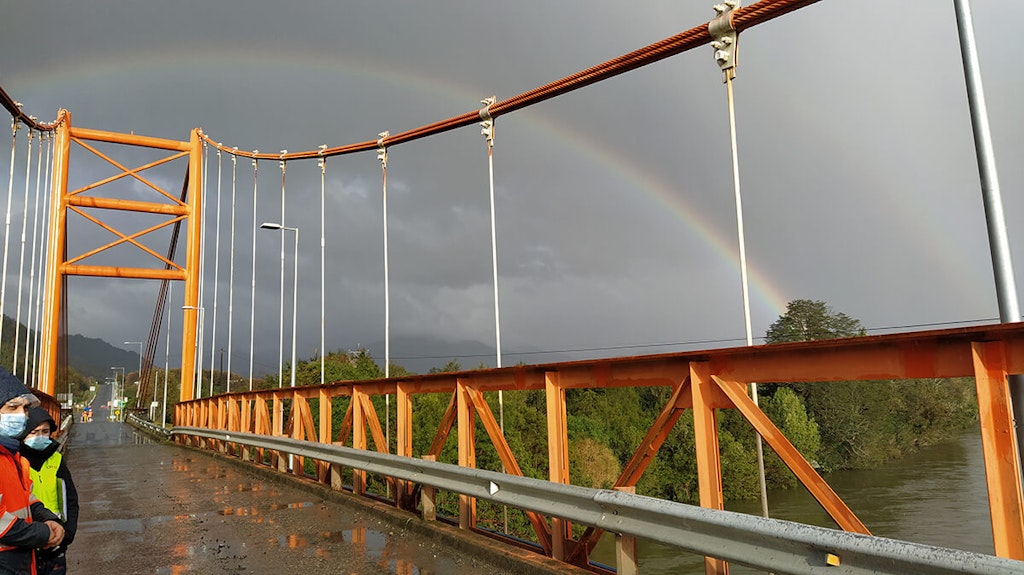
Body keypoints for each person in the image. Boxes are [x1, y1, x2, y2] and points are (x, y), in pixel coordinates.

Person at [0, 367, 64, 574]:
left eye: (25, 408)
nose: (22, 415)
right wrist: (43, 533)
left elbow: (27, 499)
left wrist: (49, 519)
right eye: (12, 408)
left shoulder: (13, 456)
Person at [19, 407, 78, 575]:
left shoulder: (56, 459)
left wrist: (68, 533)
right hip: (26, 544)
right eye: (34, 432)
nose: (39, 436)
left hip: (56, 542)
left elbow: (71, 499)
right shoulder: (15, 461)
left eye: (45, 431)